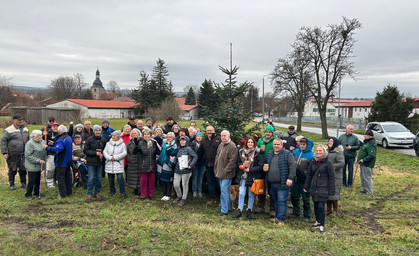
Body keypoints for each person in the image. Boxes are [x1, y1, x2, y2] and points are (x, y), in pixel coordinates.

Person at [304, 144, 335, 234]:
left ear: (324, 151)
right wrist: (306, 186)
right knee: (316, 206)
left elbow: (332, 177)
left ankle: (322, 225)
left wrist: (332, 190)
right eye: (317, 150)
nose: (318, 152)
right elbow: (309, 174)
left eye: (320, 151)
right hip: (314, 187)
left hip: (323, 188)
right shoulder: (313, 161)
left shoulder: (328, 162)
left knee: (321, 207)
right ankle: (317, 221)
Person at [264, 139, 296, 226]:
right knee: (275, 201)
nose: (276, 146)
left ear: (282, 145)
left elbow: (292, 166)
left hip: (282, 183)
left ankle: (281, 219)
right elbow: (266, 164)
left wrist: (290, 178)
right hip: (271, 183)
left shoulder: (287, 154)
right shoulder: (270, 154)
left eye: (278, 144)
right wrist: (265, 168)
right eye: (275, 144)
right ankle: (277, 217)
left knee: (281, 201)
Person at [233, 137, 263, 219]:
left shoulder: (257, 154)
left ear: (254, 143)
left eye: (251, 142)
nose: (250, 144)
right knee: (241, 193)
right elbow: (238, 162)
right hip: (243, 176)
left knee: (251, 194)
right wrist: (241, 166)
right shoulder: (241, 152)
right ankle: (239, 210)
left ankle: (249, 210)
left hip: (252, 177)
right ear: (246, 143)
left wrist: (251, 169)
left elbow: (260, 166)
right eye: (248, 142)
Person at [44, 125, 73, 198]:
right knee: (68, 177)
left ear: (59, 131)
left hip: (61, 161)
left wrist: (48, 148)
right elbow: (63, 146)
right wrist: (54, 143)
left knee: (61, 178)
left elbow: (57, 149)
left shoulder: (61, 140)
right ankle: (69, 192)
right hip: (68, 160)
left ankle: (63, 194)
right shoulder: (68, 137)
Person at [1, 114, 29, 190]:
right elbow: (3, 141)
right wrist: (4, 152)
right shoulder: (8, 130)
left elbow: (28, 141)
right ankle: (12, 184)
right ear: (14, 120)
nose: (21, 121)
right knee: (12, 170)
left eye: (21, 120)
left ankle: (23, 183)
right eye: (19, 120)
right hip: (12, 154)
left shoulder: (25, 129)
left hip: (23, 154)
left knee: (23, 169)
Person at [214, 130, 238, 216]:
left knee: (224, 191)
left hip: (227, 174)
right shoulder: (221, 145)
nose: (223, 137)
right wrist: (216, 168)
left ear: (229, 136)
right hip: (219, 172)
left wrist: (225, 171)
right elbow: (217, 157)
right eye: (222, 136)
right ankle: (227, 207)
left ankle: (224, 210)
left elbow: (232, 162)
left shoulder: (232, 146)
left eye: (225, 136)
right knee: (224, 191)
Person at [290, 137, 314, 222]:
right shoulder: (295, 152)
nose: (302, 146)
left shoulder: (311, 155)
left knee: (306, 198)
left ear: (307, 145)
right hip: (295, 178)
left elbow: (312, 170)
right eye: (301, 144)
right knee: (294, 197)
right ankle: (296, 211)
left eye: (304, 144)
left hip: (305, 180)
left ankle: (307, 214)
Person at [197, 125, 221, 205]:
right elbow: (200, 152)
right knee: (210, 182)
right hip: (208, 165)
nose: (209, 132)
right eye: (208, 130)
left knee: (219, 183)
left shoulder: (219, 139)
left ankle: (222, 200)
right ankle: (212, 198)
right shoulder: (204, 141)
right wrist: (196, 162)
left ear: (214, 131)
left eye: (210, 130)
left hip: (217, 166)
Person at [256, 125, 277, 216]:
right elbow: (256, 151)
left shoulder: (275, 141)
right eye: (266, 132)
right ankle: (261, 206)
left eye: (269, 132)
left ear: (272, 133)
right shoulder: (260, 140)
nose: (267, 133)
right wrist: (259, 150)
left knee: (271, 188)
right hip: (261, 166)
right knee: (261, 186)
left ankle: (272, 208)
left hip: (272, 166)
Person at [84, 125, 107, 200]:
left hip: (100, 162)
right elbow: (85, 151)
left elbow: (106, 150)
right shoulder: (89, 140)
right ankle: (89, 193)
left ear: (101, 131)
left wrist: (103, 155)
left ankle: (97, 192)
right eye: (96, 130)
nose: (98, 132)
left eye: (99, 130)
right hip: (91, 162)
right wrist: (95, 153)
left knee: (99, 178)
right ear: (94, 131)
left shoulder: (103, 140)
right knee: (91, 178)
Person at [174, 136, 198, 206]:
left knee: (184, 184)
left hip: (186, 171)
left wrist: (191, 165)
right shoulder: (178, 148)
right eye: (181, 140)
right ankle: (179, 195)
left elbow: (195, 157)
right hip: (177, 170)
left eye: (184, 140)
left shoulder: (188, 148)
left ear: (186, 141)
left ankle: (184, 198)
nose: (182, 142)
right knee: (176, 185)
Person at [138, 127, 161, 200]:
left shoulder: (153, 142)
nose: (146, 135)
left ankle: (151, 195)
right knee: (143, 181)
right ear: (143, 135)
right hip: (143, 164)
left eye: (148, 134)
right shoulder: (140, 143)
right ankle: (143, 195)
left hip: (152, 164)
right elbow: (138, 152)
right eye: (145, 134)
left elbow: (158, 152)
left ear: (150, 135)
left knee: (151, 182)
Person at [103, 130, 127, 198]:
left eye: (115, 136)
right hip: (109, 163)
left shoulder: (122, 144)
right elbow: (105, 152)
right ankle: (112, 191)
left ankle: (122, 192)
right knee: (110, 179)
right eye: (112, 135)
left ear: (118, 136)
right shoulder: (108, 143)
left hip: (118, 164)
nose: (113, 137)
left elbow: (124, 153)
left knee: (120, 178)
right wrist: (110, 158)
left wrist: (115, 157)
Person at [24, 130, 46, 200]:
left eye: (41, 135)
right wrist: (38, 160)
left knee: (38, 180)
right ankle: (28, 194)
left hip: (40, 165)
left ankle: (36, 192)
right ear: (33, 136)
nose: (40, 136)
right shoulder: (29, 143)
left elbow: (44, 151)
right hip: (32, 165)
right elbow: (28, 155)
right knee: (31, 180)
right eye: (38, 135)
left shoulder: (42, 142)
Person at [326, 137, 345, 215]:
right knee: (327, 193)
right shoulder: (326, 152)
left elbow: (341, 163)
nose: (330, 142)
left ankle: (335, 210)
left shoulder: (339, 153)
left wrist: (331, 167)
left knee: (334, 193)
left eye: (332, 141)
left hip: (335, 176)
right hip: (327, 176)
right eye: (329, 141)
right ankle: (328, 209)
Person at [157, 132, 178, 201]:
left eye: (170, 137)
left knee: (168, 181)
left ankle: (168, 194)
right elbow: (162, 153)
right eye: (167, 137)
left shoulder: (174, 145)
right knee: (163, 180)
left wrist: (170, 160)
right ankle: (164, 194)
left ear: (173, 138)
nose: (168, 138)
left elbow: (174, 154)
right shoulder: (164, 144)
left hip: (168, 165)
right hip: (162, 164)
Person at [357, 130, 377, 195]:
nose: (364, 136)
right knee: (363, 177)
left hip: (367, 164)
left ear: (369, 136)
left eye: (365, 135)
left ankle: (369, 191)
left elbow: (372, 154)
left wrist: (364, 159)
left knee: (367, 177)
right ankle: (364, 189)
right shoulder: (366, 142)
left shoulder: (371, 143)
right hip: (362, 164)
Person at [126, 128, 142, 195]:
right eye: (132, 133)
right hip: (132, 162)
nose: (134, 134)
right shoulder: (129, 142)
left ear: (138, 134)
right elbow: (128, 152)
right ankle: (135, 191)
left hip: (140, 162)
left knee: (140, 177)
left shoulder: (141, 141)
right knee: (133, 177)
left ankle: (141, 190)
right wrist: (129, 158)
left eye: (135, 133)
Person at [44, 121, 59, 188]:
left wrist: (54, 142)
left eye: (57, 126)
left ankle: (56, 180)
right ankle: (49, 182)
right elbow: (44, 143)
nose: (56, 127)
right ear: (52, 127)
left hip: (58, 153)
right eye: (54, 126)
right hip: (51, 153)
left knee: (57, 168)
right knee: (50, 168)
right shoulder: (48, 134)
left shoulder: (59, 134)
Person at [191, 132, 205, 198]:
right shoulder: (193, 144)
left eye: (200, 136)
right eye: (198, 136)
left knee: (200, 178)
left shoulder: (204, 144)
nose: (199, 138)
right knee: (195, 177)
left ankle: (199, 191)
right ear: (196, 137)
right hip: (195, 164)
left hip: (202, 164)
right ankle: (194, 191)